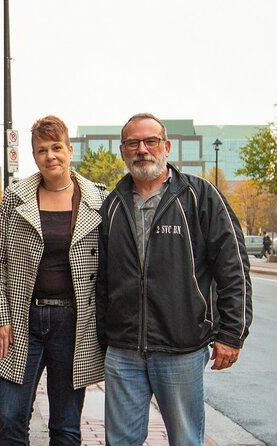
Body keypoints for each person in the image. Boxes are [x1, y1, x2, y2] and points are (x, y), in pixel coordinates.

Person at [96, 113, 253, 445]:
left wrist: (232, 334)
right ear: (122, 151)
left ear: (166, 146)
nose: (142, 150)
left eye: (150, 141)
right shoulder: (112, 205)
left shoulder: (200, 197)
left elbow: (233, 267)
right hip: (124, 352)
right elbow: (103, 281)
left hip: (181, 349)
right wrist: (104, 337)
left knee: (185, 439)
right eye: (133, 143)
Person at [0, 115, 108, 445]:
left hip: (74, 321)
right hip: (23, 319)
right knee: (10, 417)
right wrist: (0, 316)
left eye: (56, 148)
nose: (50, 156)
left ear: (69, 150)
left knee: (66, 425)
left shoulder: (98, 200)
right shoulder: (15, 197)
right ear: (34, 156)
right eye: (42, 150)